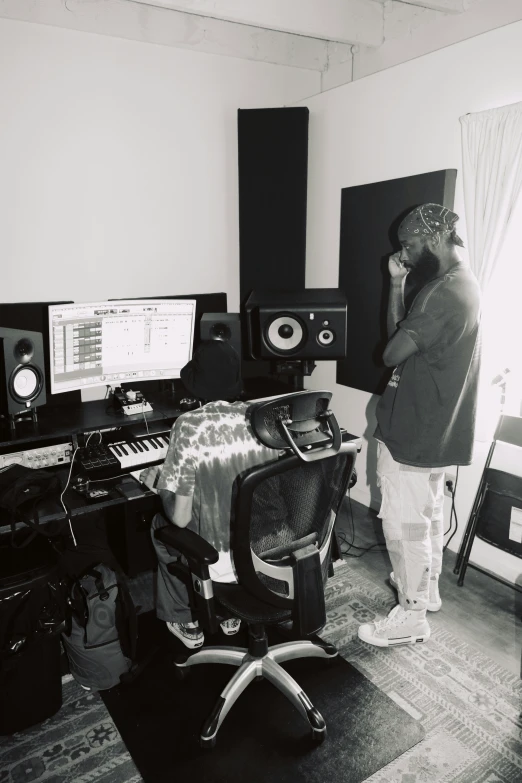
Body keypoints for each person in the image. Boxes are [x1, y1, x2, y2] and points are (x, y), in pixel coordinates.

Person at [358, 204, 481, 648]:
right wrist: (397, 283)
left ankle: (410, 616)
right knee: (424, 519)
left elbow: (389, 354)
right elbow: (400, 341)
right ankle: (425, 593)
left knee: (402, 523)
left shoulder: (442, 294)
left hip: (413, 431)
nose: (404, 256)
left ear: (433, 239)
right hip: (434, 430)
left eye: (409, 246)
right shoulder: (464, 285)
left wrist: (400, 286)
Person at [147, 339, 279, 649]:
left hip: (221, 561)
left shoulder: (188, 426)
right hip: (269, 552)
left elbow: (179, 519)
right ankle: (232, 611)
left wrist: (159, 485)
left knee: (160, 527)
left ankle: (186, 618)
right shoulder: (261, 418)